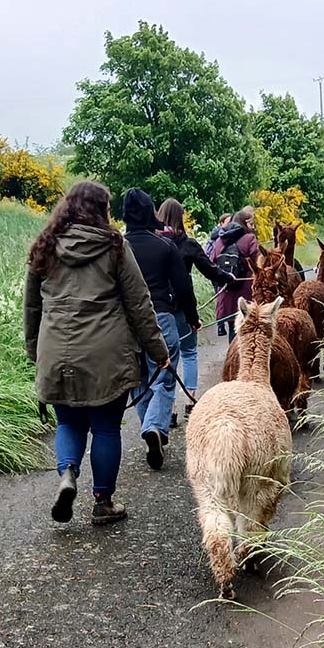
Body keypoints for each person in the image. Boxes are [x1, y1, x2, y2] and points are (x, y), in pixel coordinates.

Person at [24, 181, 169, 526]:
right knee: (105, 428)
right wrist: (158, 350)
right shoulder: (114, 246)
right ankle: (103, 501)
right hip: (106, 352)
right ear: (102, 210)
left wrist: (35, 351)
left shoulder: (44, 247)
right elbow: (139, 303)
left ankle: (67, 474)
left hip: (56, 349)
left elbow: (31, 307)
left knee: (68, 422)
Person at [122, 188, 199, 469]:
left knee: (139, 380)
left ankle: (150, 429)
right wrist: (192, 317)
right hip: (162, 318)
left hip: (126, 324)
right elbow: (183, 287)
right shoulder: (165, 247)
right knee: (164, 379)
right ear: (149, 215)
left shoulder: (117, 247)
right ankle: (154, 426)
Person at [156, 198, 235, 424]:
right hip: (182, 306)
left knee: (166, 357)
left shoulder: (154, 243)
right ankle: (191, 399)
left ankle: (168, 408)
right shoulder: (188, 245)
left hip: (158, 307)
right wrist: (228, 278)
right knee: (189, 352)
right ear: (180, 218)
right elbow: (209, 270)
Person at [209, 207, 260, 342]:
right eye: (250, 224)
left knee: (233, 328)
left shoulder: (220, 240)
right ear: (244, 223)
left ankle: (233, 358)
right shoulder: (249, 239)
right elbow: (259, 263)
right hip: (246, 291)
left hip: (226, 291)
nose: (252, 227)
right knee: (247, 329)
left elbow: (212, 262)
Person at [204, 213, 233, 335]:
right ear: (221, 223)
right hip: (218, 270)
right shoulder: (220, 237)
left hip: (217, 269)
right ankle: (222, 324)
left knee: (220, 297)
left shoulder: (214, 236)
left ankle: (221, 325)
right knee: (221, 296)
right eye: (228, 222)